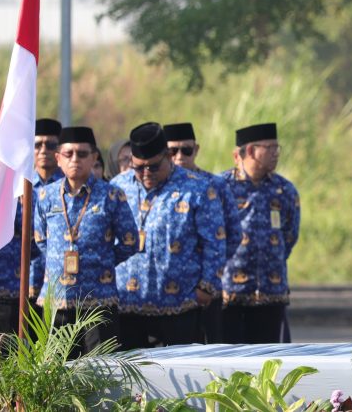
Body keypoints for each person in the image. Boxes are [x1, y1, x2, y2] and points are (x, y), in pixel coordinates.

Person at [112, 123, 225, 349]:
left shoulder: (198, 188)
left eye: (153, 167)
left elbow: (216, 242)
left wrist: (206, 287)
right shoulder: (117, 186)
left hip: (181, 303)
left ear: (168, 157)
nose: (146, 174)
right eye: (139, 168)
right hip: (128, 304)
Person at [33, 127, 138, 355]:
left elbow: (131, 242)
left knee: (101, 373)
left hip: (98, 299)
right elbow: (41, 240)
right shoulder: (45, 196)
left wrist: (102, 261)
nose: (75, 160)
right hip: (57, 300)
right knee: (56, 375)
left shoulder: (112, 195)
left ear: (93, 158)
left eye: (82, 154)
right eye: (68, 154)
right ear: (58, 158)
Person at [0, 118, 64, 344]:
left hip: (55, 287)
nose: (43, 151)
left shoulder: (69, 186)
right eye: (37, 145)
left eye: (50, 145)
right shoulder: (17, 184)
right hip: (16, 283)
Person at [220, 123, 299, 344]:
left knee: (271, 362)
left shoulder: (284, 190)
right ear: (252, 151)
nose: (276, 154)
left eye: (277, 148)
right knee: (229, 362)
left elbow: (290, 235)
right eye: (270, 148)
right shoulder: (221, 187)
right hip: (230, 293)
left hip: (271, 292)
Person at [164, 122, 231, 343]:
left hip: (208, 287)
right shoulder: (160, 185)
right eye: (172, 151)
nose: (180, 156)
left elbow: (234, 233)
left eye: (186, 150)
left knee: (212, 348)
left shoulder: (215, 184)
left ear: (197, 149)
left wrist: (212, 270)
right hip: (170, 290)